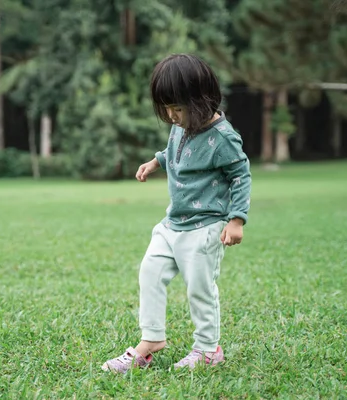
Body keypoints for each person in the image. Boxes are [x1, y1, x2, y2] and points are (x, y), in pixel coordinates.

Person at [101, 54, 252, 373]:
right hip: (172, 223)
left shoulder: (223, 138)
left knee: (200, 288)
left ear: (202, 100)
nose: (171, 116)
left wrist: (236, 219)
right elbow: (177, 151)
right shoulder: (181, 125)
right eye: (165, 109)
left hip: (205, 228)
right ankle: (151, 340)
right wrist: (157, 161)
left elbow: (240, 175)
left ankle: (208, 349)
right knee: (150, 271)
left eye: (178, 109)